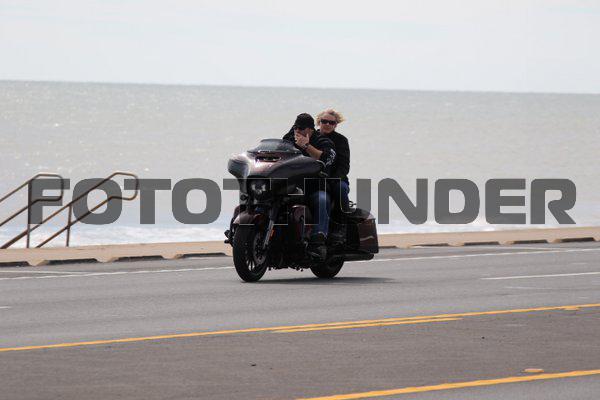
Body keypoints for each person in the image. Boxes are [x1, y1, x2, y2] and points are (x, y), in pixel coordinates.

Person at [283, 113, 336, 260]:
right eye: (295, 127)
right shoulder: (289, 139)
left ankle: (318, 240)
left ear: (310, 130)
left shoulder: (323, 141)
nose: (297, 131)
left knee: (322, 199)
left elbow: (326, 158)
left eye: (301, 128)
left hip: (314, 186)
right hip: (291, 187)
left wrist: (306, 146)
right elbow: (278, 152)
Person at [315, 109, 350, 240]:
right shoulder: (311, 138)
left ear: (336, 125)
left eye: (331, 123)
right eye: (324, 121)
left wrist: (332, 179)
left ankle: (341, 226)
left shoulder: (341, 140)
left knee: (341, 188)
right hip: (315, 180)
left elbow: (344, 167)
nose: (327, 124)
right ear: (319, 122)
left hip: (336, 179)